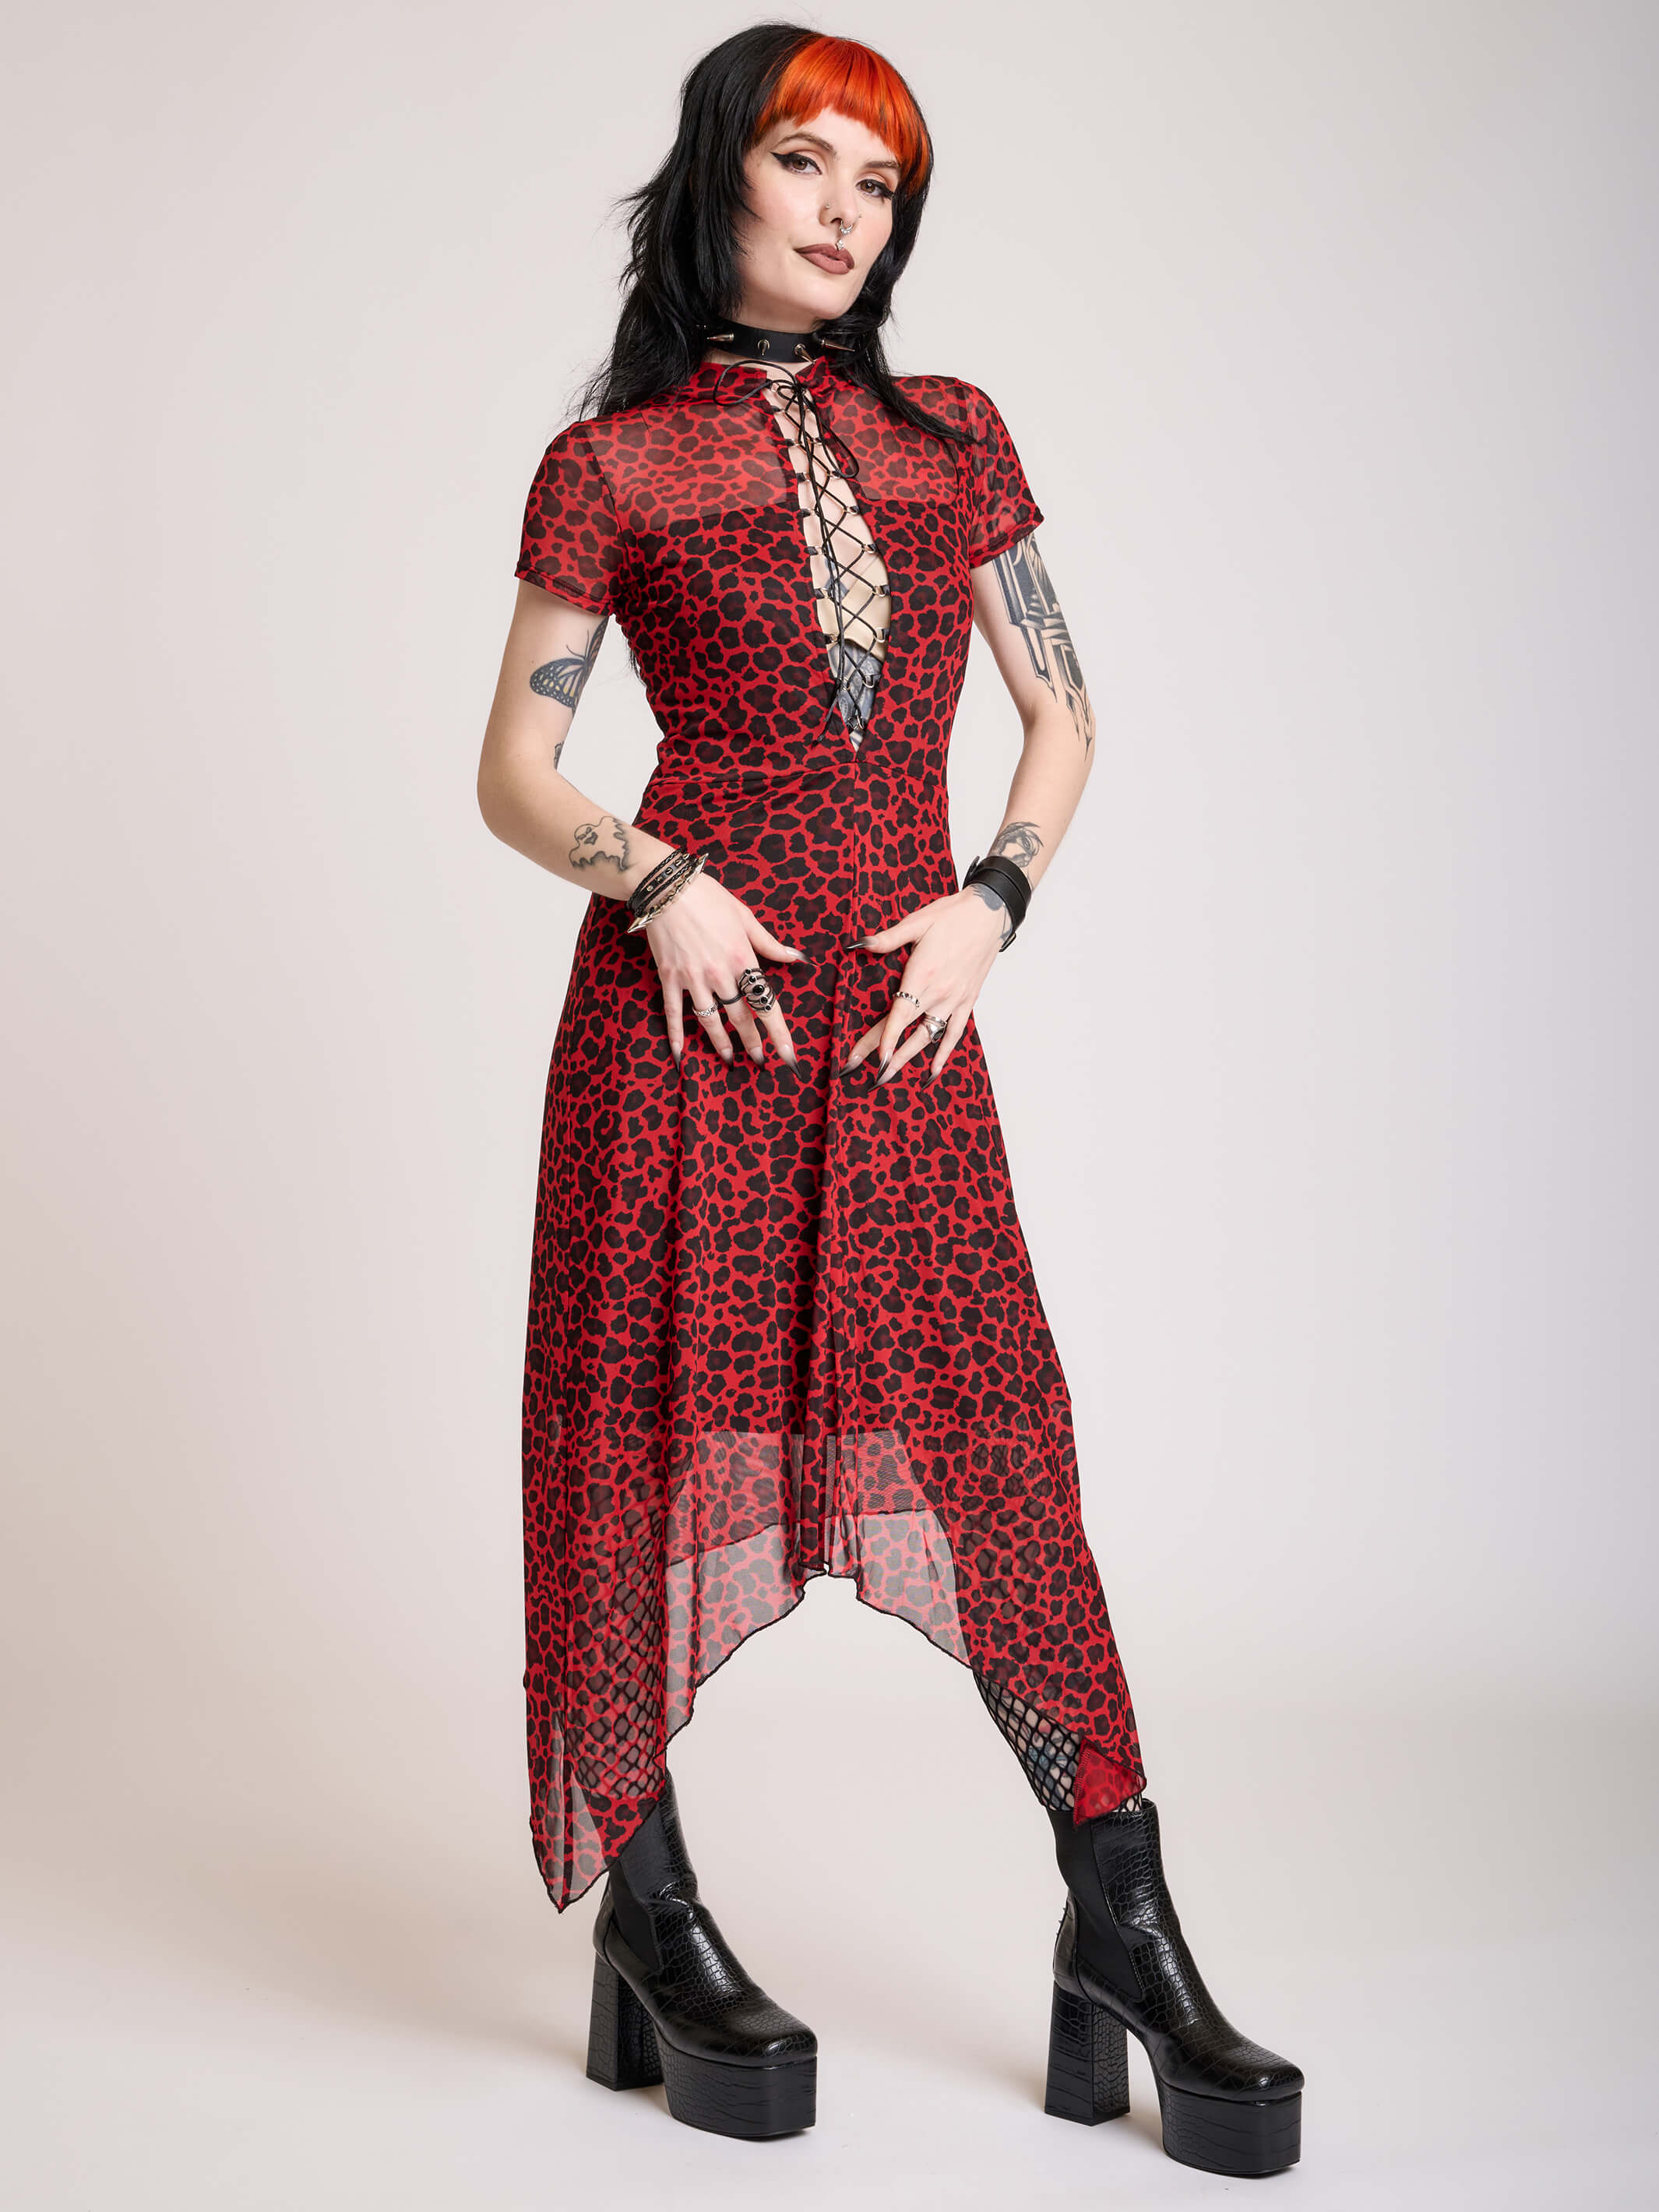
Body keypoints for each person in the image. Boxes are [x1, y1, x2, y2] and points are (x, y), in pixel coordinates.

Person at [477, 22, 1301, 2175]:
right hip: (691, 1029)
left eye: (881, 183)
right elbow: (513, 770)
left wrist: (992, 900)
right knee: (636, 1442)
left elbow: (1061, 716)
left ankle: (1122, 1923)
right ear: (718, 178)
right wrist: (658, 883)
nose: (846, 212)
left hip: (898, 1030)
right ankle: (651, 1911)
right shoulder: (615, 463)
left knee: (1002, 1450)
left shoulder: (955, 443)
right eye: (804, 164)